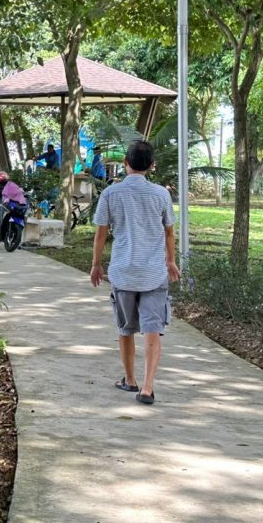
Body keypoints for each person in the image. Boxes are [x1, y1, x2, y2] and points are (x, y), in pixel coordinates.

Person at [90, 140, 181, 406]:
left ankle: (130, 380)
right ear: (151, 165)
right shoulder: (161, 195)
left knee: (126, 328)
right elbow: (169, 232)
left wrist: (96, 264)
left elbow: (101, 234)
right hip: (153, 272)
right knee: (153, 329)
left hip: (123, 271)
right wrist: (171, 261)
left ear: (125, 163)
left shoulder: (111, 193)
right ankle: (148, 388)